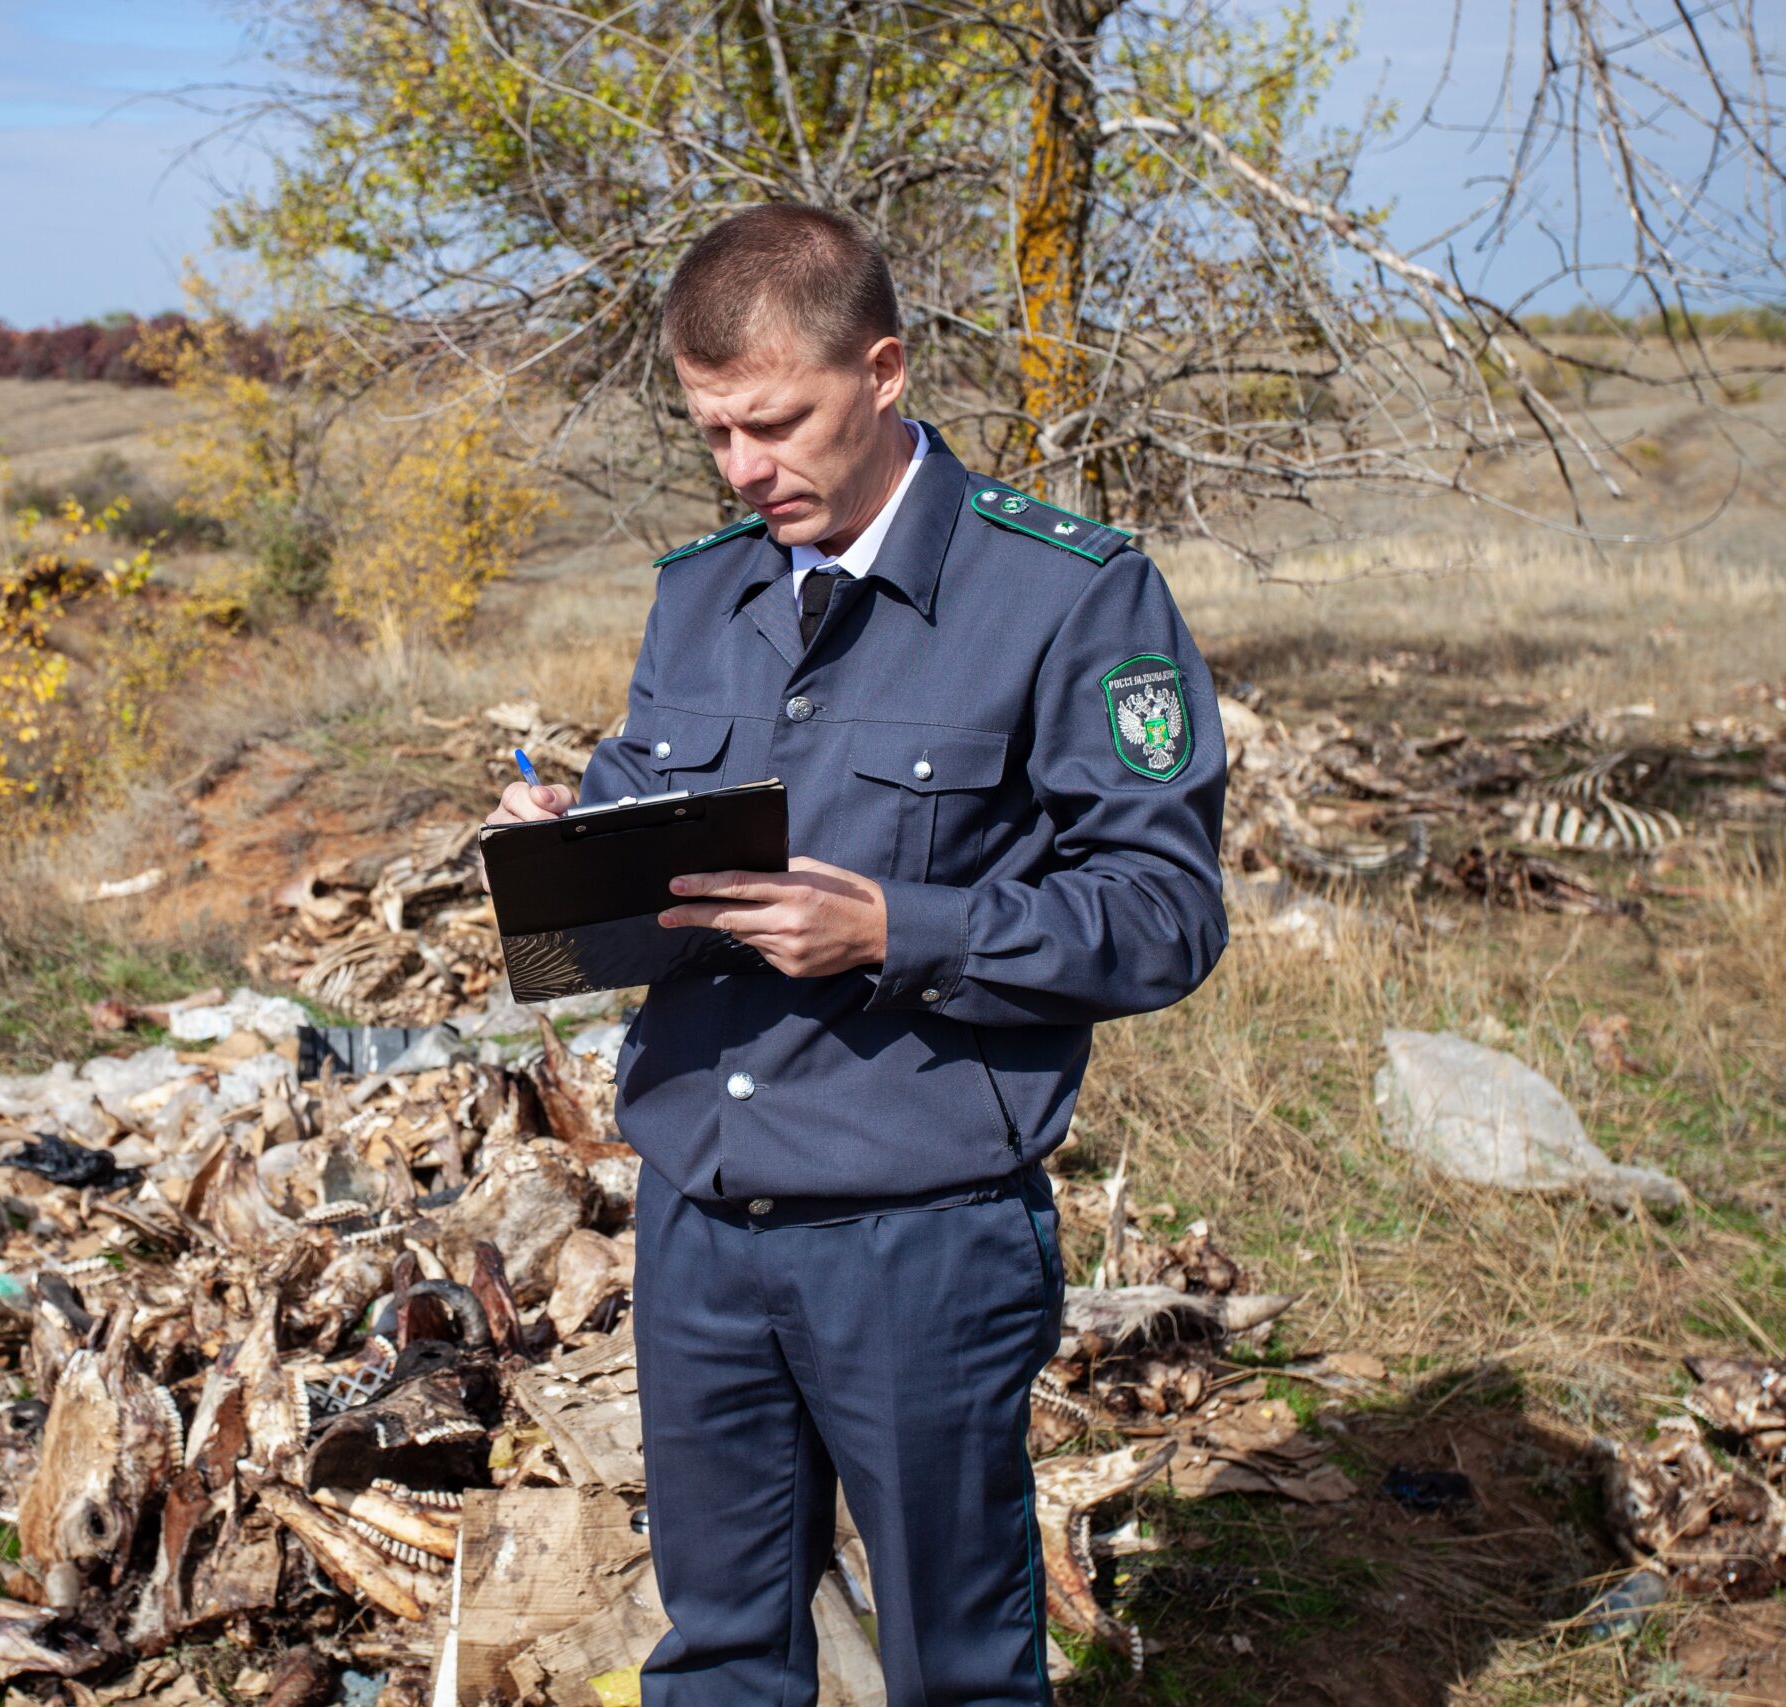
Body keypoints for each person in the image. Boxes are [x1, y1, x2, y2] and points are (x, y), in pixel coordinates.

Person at [484, 202, 1227, 1705]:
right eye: (714, 435)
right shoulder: (706, 588)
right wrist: (569, 830)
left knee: (953, 1663)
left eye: (775, 424)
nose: (747, 469)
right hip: (699, 1214)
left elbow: (1164, 912)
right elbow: (661, 808)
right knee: (722, 1651)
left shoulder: (1069, 594)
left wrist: (903, 933)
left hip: (918, 1232)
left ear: (881, 373)